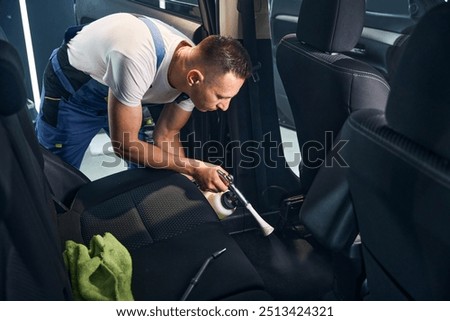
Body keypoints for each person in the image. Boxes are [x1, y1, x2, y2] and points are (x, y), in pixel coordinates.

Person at [35, 12, 252, 192]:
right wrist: (195, 167)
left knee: (148, 167)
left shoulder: (194, 76)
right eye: (221, 97)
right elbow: (124, 145)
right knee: (55, 178)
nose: (225, 106)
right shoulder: (136, 56)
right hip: (75, 92)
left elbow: (167, 133)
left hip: (127, 94)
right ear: (194, 78)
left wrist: (191, 182)